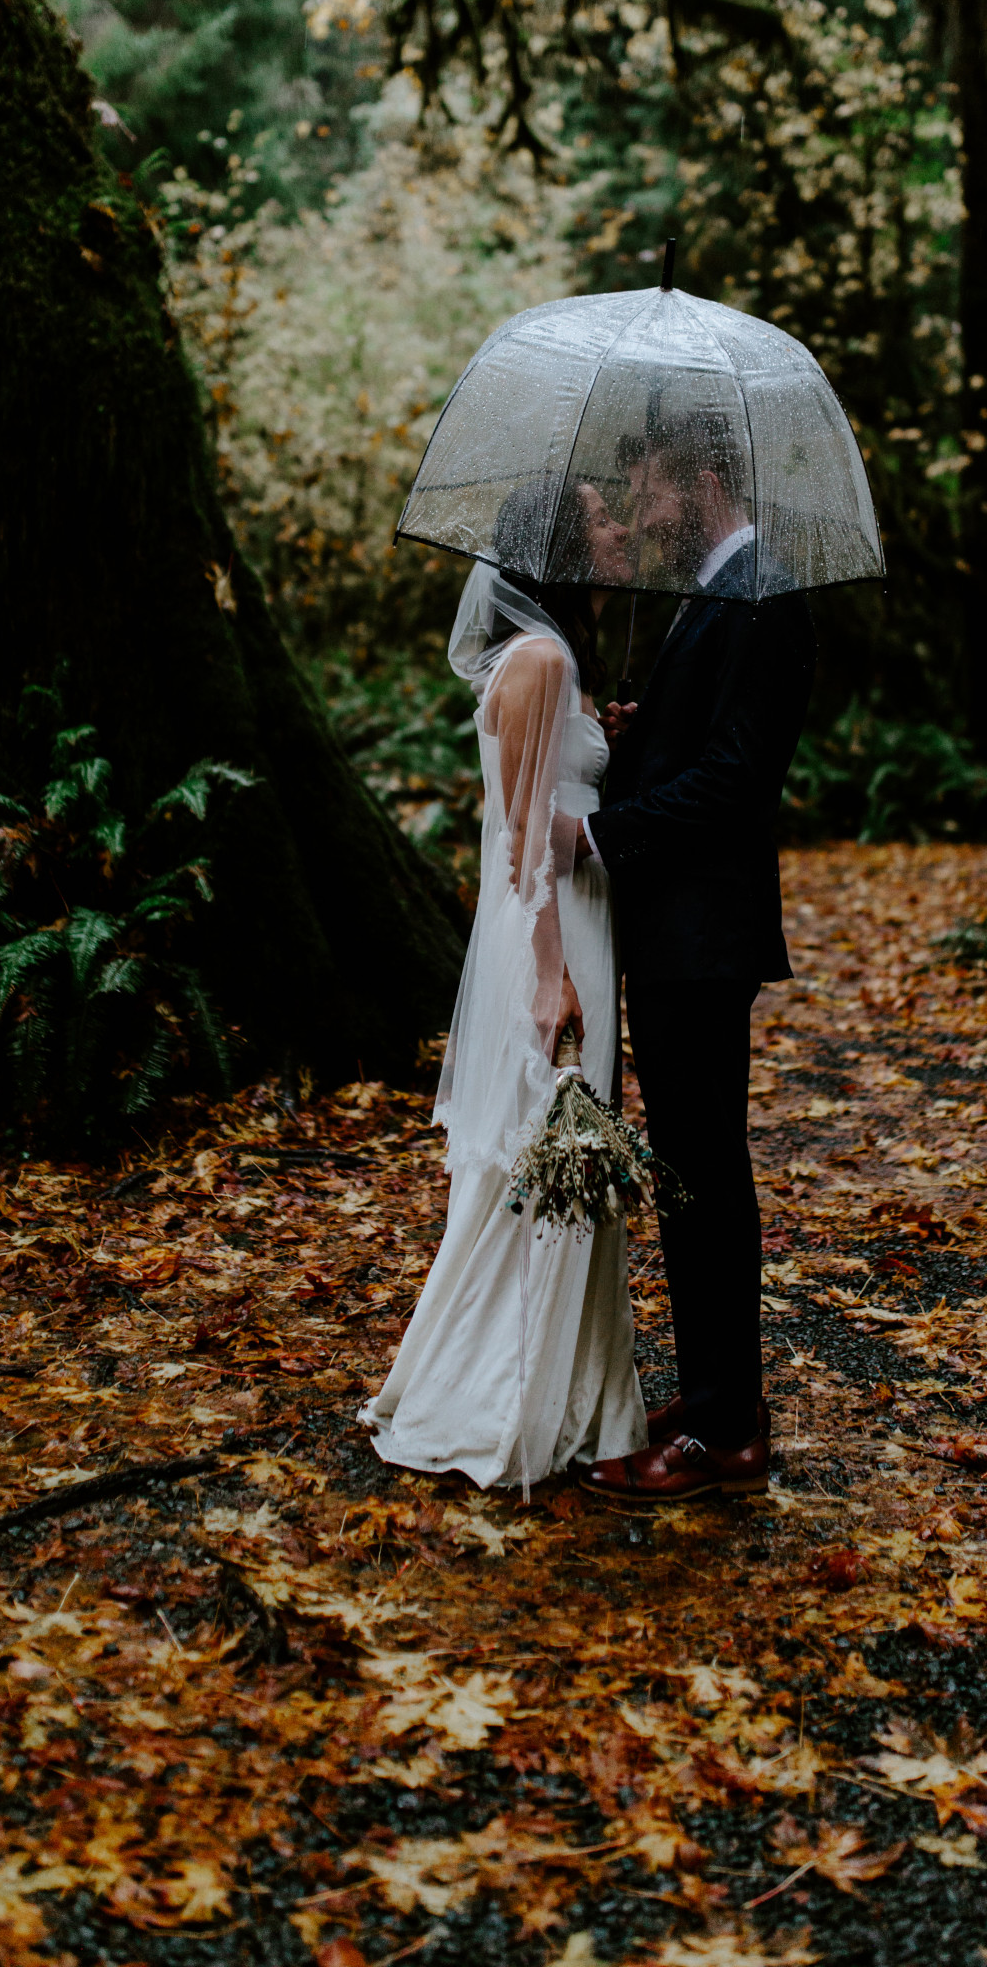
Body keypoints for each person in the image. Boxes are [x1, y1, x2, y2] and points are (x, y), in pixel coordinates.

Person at [359, 476, 647, 1490]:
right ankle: (514, 1392)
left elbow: (541, 801)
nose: (620, 528)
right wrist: (553, 979)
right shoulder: (543, 660)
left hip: (568, 922)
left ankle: (567, 1378)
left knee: (558, 1153)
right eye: (603, 519)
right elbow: (527, 845)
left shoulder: (544, 663)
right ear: (562, 551)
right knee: (547, 1150)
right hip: (554, 931)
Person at [572, 407, 817, 1502]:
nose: (644, 515)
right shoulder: (717, 591)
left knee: (705, 1177)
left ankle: (727, 1432)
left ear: (707, 479)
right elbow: (698, 746)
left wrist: (600, 830)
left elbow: (735, 778)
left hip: (702, 939)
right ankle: (719, 1395)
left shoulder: (760, 592)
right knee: (686, 1177)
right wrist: (635, 738)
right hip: (677, 934)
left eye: (656, 491)